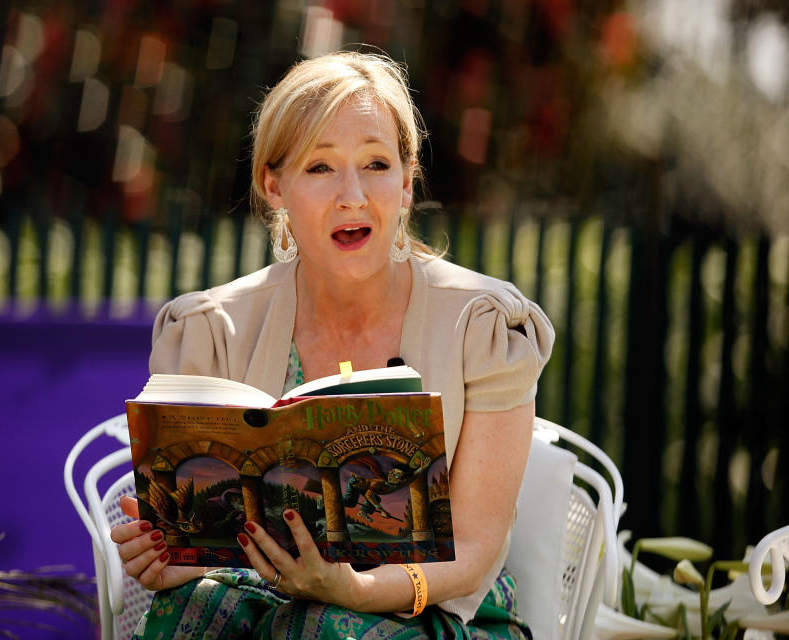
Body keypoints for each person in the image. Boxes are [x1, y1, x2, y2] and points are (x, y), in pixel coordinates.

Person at [110, 50, 554, 640]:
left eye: (375, 164)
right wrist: (168, 561)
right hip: (258, 605)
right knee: (194, 615)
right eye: (320, 168)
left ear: (406, 179)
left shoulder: (486, 326)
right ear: (275, 185)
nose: (353, 195)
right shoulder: (208, 330)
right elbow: (199, 537)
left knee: (323, 629)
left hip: (430, 615)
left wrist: (357, 590)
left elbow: (473, 549)